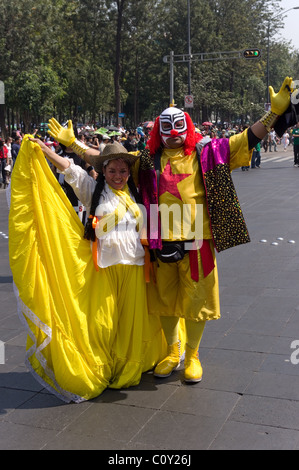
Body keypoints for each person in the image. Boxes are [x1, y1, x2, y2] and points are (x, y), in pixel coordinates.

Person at [47, 77, 294, 385]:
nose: (174, 136)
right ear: (158, 133)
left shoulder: (208, 153)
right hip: (159, 244)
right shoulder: (147, 161)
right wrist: (72, 145)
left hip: (197, 243)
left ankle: (192, 355)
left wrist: (272, 115)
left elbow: (245, 140)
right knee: (164, 301)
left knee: (196, 302)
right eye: (167, 130)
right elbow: (107, 161)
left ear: (187, 128)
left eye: (179, 129)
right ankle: (172, 351)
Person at [9, 136, 168, 402]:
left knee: (130, 324)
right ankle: (101, 366)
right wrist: (46, 150)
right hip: (103, 269)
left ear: (129, 172)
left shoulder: (136, 192)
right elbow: (70, 170)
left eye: (122, 171)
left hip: (135, 268)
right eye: (112, 170)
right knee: (103, 324)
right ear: (103, 171)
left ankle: (126, 370)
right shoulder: (94, 190)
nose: (118, 175)